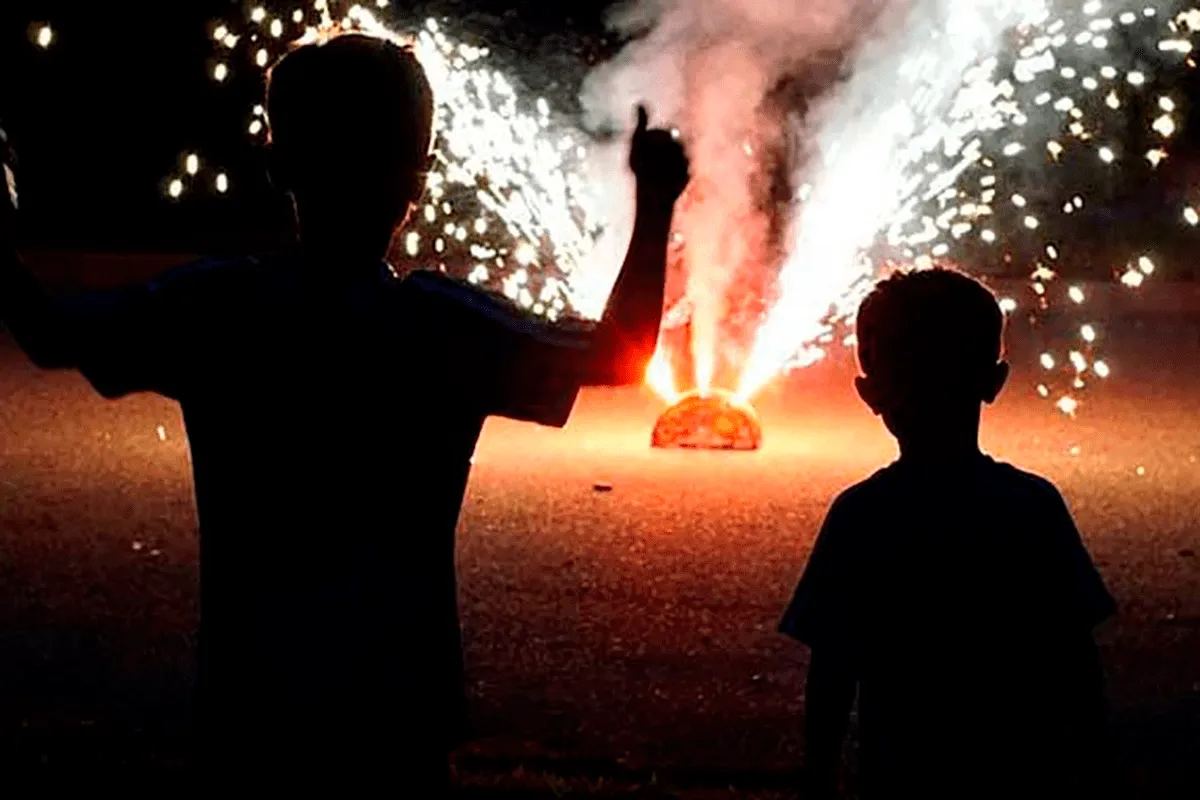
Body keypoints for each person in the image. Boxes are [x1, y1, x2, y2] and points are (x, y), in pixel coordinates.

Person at [0, 33, 689, 791]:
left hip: (253, 707)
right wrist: (654, 205)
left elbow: (48, 331)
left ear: (278, 163)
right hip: (395, 711)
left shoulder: (219, 310)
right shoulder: (440, 327)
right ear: (417, 182)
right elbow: (622, 355)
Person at [779, 268, 1120, 799]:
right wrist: (1098, 774)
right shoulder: (1032, 506)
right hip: (1019, 777)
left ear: (870, 393)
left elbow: (832, 670)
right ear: (994, 381)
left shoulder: (860, 515)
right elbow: (1076, 659)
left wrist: (817, 780)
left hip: (902, 777)